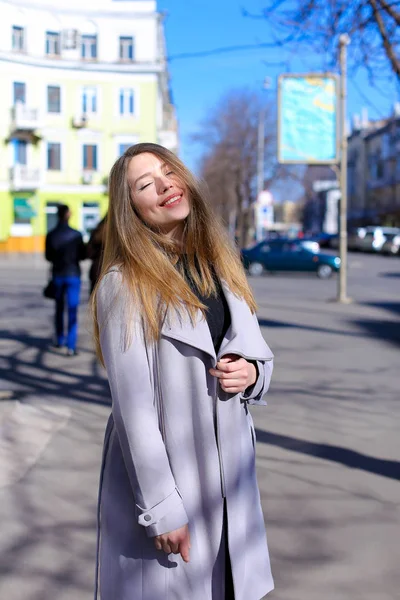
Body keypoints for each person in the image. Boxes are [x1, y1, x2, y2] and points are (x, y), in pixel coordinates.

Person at [92, 143, 274, 600]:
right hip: (173, 483)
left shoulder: (220, 262)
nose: (164, 185)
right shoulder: (124, 282)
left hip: (231, 481)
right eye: (145, 184)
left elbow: (257, 352)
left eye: (168, 171)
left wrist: (251, 373)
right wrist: (160, 508)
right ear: (131, 208)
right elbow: (133, 409)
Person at [45, 204, 86, 356]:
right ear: (68, 214)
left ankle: (59, 340)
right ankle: (71, 346)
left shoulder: (51, 234)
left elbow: (48, 257)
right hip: (73, 275)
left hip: (57, 275)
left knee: (59, 309)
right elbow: (82, 255)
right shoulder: (76, 235)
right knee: (72, 309)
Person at [87, 215, 107, 294]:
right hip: (115, 271)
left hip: (96, 270)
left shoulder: (96, 231)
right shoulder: (120, 232)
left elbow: (88, 253)